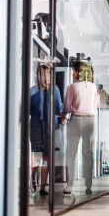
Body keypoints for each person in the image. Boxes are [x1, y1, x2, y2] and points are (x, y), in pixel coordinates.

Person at [62, 61, 98, 195]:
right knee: (87, 154)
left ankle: (69, 183)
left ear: (80, 72)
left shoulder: (72, 87)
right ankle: (88, 185)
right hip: (90, 120)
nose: (73, 73)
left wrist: (63, 116)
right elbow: (95, 107)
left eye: (74, 71)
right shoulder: (93, 87)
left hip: (76, 119)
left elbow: (66, 107)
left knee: (71, 153)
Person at [30, 65, 63, 196]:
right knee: (46, 157)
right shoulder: (55, 90)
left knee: (37, 155)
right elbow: (59, 109)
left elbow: (27, 109)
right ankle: (42, 188)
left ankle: (32, 179)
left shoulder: (32, 90)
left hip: (35, 125)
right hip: (49, 126)